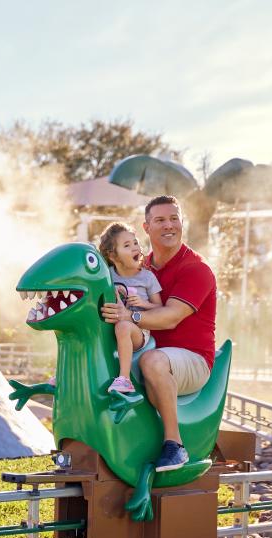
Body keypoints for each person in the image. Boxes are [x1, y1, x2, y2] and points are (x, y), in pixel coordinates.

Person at [101, 195, 216, 472]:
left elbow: (171, 317)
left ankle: (174, 445)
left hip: (192, 359)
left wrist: (130, 316)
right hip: (147, 348)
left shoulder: (196, 269)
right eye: (160, 220)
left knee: (151, 361)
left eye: (174, 218)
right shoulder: (140, 266)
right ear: (146, 227)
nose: (169, 225)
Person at [98, 222, 163, 394]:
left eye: (135, 243)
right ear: (113, 256)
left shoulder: (147, 277)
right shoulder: (107, 276)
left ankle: (125, 379)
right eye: (127, 245)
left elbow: (160, 308)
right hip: (111, 328)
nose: (135, 247)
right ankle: (62, 375)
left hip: (138, 333)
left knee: (123, 326)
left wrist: (143, 304)